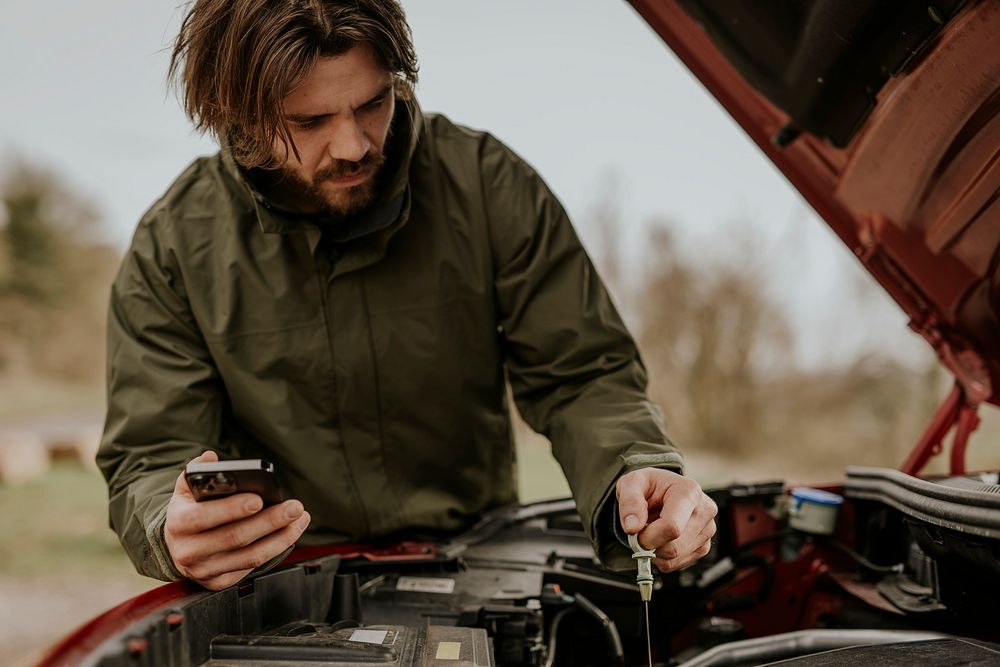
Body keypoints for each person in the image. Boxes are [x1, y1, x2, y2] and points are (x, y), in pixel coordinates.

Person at [97, 0, 717, 591]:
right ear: (236, 115)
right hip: (283, 585)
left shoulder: (487, 187)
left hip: (475, 559)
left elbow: (583, 376)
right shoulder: (173, 247)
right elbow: (151, 455)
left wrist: (635, 473)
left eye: (373, 102)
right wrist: (169, 526)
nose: (354, 145)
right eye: (309, 122)